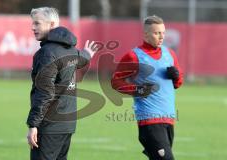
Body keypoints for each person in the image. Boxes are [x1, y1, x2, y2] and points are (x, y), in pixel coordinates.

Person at [26, 7, 98, 160]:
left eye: (37, 23)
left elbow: (45, 92)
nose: (33, 27)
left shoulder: (47, 53)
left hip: (50, 125)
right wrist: (87, 54)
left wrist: (33, 124)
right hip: (67, 125)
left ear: (52, 24)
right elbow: (81, 58)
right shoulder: (70, 49)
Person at [111, 15, 183, 160]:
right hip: (149, 120)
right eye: (157, 33)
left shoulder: (170, 54)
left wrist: (176, 77)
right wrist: (138, 90)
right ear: (145, 34)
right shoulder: (133, 56)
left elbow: (178, 83)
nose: (161, 36)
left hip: (168, 118)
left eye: (163, 32)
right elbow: (116, 81)